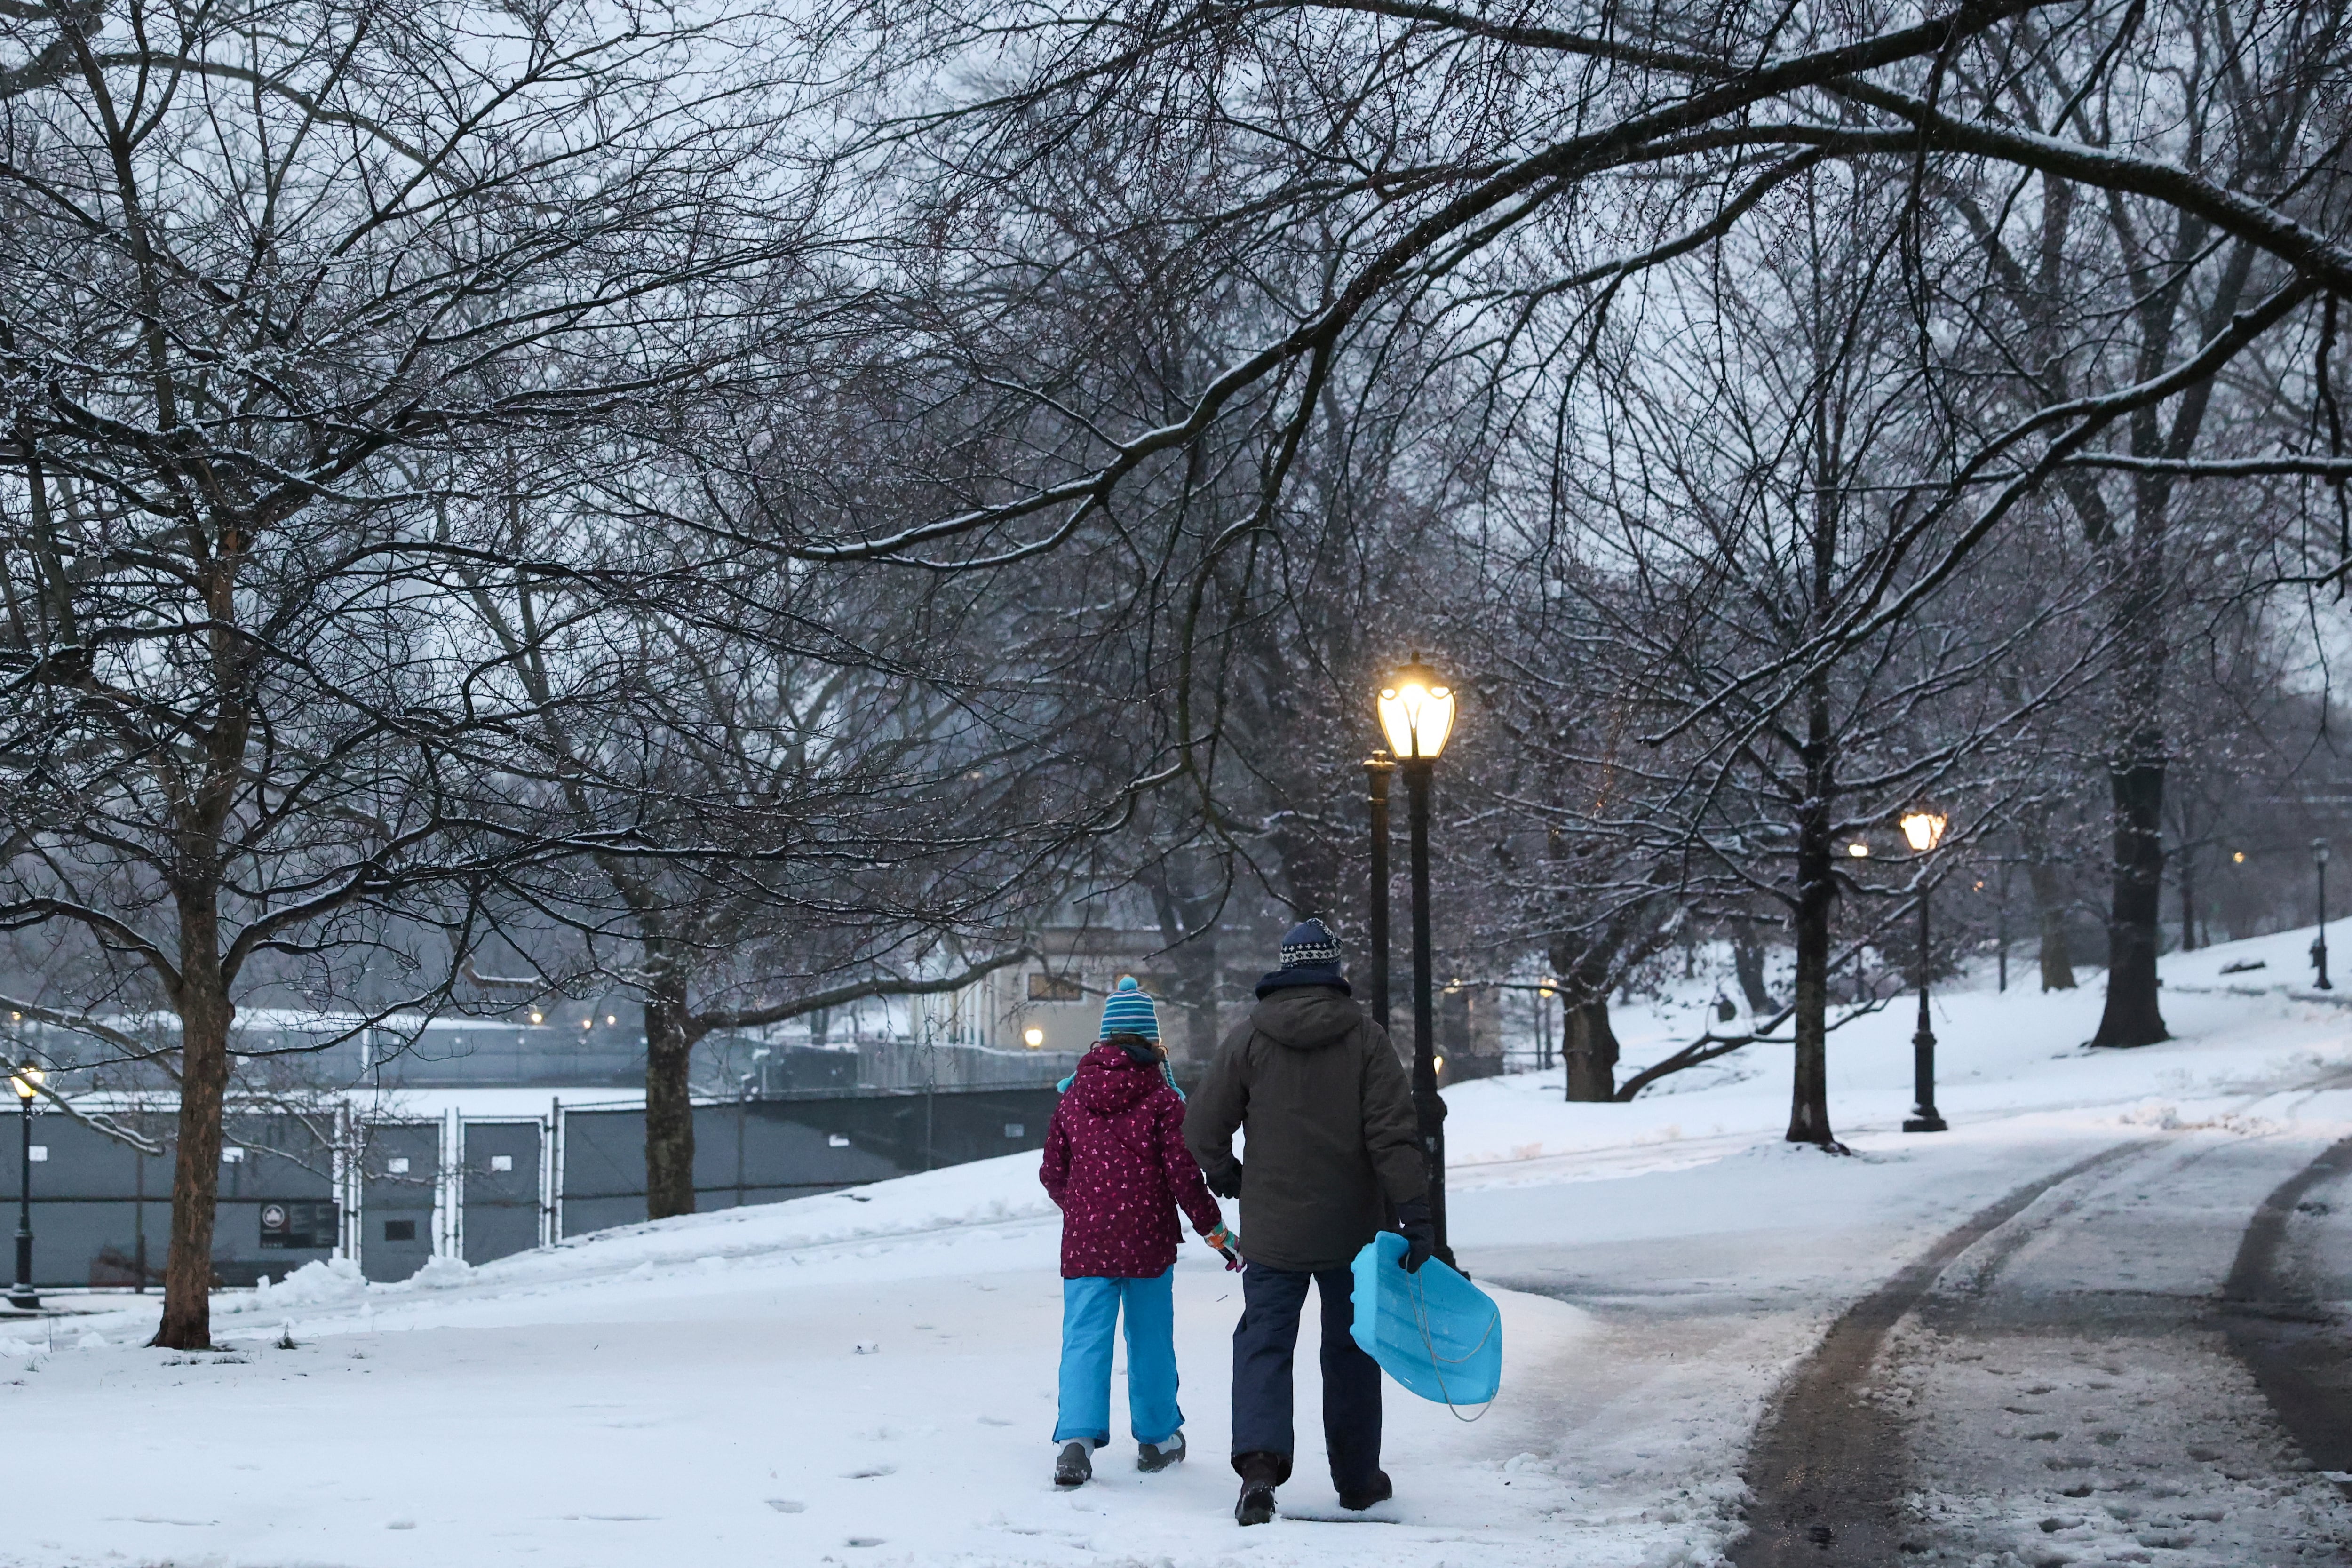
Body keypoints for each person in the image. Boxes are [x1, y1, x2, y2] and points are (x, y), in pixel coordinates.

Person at [1185, 918, 1434, 1526]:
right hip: (1353, 1231)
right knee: (1350, 1351)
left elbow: (1201, 1127)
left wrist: (1226, 1174)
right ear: (1332, 970)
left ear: (1285, 966)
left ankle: (1261, 1471)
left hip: (1272, 1230)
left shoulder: (1250, 1038)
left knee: (1265, 1343)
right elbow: (1394, 1135)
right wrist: (1416, 1213)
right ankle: (1357, 1480)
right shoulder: (1367, 1039)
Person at [1038, 976, 1238, 1489]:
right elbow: (1183, 1176)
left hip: (1085, 1244)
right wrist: (1216, 1233)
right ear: (1152, 1043)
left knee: (1084, 1339)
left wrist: (1083, 1209)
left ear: (1103, 1040)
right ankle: (1157, 1440)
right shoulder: (1164, 1100)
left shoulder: (1072, 1098)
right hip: (1147, 1241)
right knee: (1150, 1339)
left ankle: (1075, 1446)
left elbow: (1051, 1172)